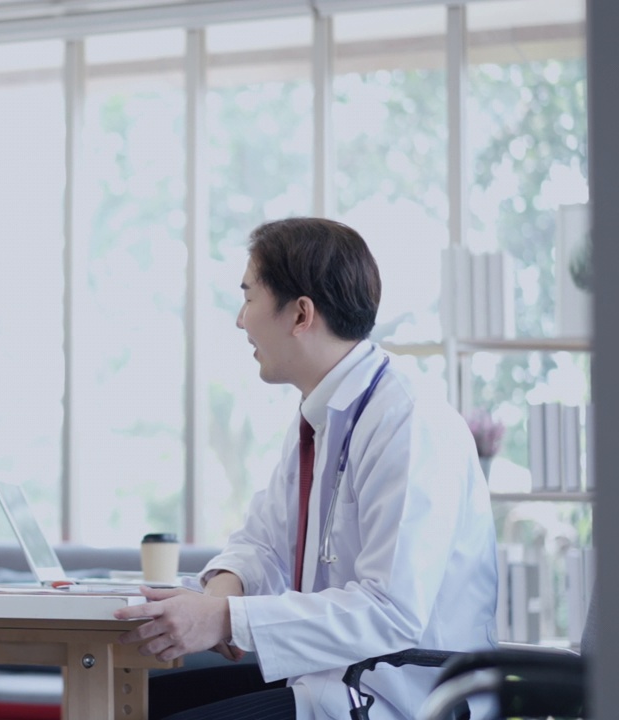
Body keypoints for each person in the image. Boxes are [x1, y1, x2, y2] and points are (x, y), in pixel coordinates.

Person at [116, 218, 498, 720]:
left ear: (300, 314)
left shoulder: (407, 421)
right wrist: (220, 598)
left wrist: (228, 620)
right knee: (133, 703)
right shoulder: (323, 415)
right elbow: (262, 542)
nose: (240, 319)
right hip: (333, 677)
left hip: (396, 700)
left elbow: (392, 611)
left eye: (249, 297)